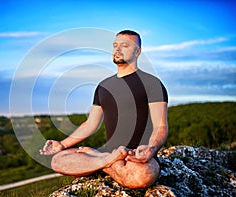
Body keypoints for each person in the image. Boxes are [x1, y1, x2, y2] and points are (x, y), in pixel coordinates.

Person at [40, 30, 168, 188]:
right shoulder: (103, 86)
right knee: (58, 160)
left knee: (143, 176)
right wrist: (62, 145)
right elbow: (90, 125)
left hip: (137, 156)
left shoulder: (151, 83)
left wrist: (151, 149)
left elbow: (160, 126)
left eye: (125, 45)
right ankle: (108, 160)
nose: (118, 49)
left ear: (137, 51)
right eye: (115, 45)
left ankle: (99, 162)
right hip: (108, 153)